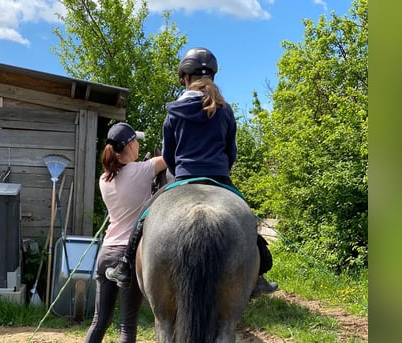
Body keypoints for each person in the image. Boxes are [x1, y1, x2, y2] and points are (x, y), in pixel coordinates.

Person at [105, 47, 277, 297]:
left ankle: (125, 265)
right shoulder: (225, 110)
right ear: (212, 77)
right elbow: (231, 152)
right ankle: (258, 275)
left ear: (185, 79)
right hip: (219, 177)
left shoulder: (173, 112)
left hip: (183, 177)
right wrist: (220, 173)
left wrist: (180, 172)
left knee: (144, 217)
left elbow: (170, 156)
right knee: (247, 219)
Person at [70, 122, 168, 343]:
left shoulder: (105, 179)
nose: (139, 145)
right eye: (135, 142)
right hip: (128, 256)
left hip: (105, 254)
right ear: (128, 146)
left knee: (100, 321)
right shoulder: (142, 170)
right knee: (127, 326)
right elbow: (172, 158)